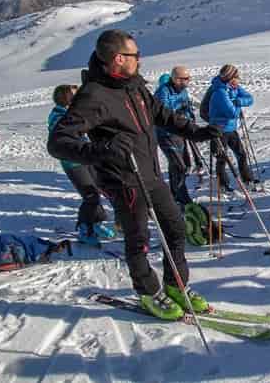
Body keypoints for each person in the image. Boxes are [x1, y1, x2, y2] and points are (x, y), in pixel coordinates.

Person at [48, 29, 221, 320]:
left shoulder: (135, 86)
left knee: (176, 229)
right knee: (138, 240)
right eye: (135, 55)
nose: (140, 59)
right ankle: (148, 292)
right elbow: (58, 143)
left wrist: (199, 132)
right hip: (124, 181)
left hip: (151, 175)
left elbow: (163, 115)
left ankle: (176, 285)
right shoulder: (94, 95)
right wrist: (104, 149)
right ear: (118, 59)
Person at [48, 84, 109, 243]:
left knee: (97, 188)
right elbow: (62, 139)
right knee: (90, 194)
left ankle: (96, 223)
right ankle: (84, 228)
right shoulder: (58, 116)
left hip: (86, 156)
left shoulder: (72, 113)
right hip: (73, 161)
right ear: (66, 98)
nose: (78, 97)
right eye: (74, 95)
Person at [209, 64, 257, 191]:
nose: (238, 80)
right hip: (219, 130)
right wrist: (237, 104)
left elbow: (250, 99)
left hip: (230, 128)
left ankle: (248, 180)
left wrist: (238, 101)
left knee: (241, 154)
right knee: (221, 158)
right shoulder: (220, 92)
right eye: (236, 77)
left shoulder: (234, 88)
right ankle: (222, 183)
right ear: (230, 78)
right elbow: (232, 113)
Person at [154, 67, 197, 209]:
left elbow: (186, 106)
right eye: (185, 79)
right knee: (179, 166)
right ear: (176, 79)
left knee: (177, 166)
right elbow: (163, 113)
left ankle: (174, 196)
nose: (187, 82)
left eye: (188, 78)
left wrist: (189, 116)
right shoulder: (163, 92)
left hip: (179, 133)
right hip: (165, 134)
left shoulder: (183, 90)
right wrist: (179, 114)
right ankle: (183, 199)